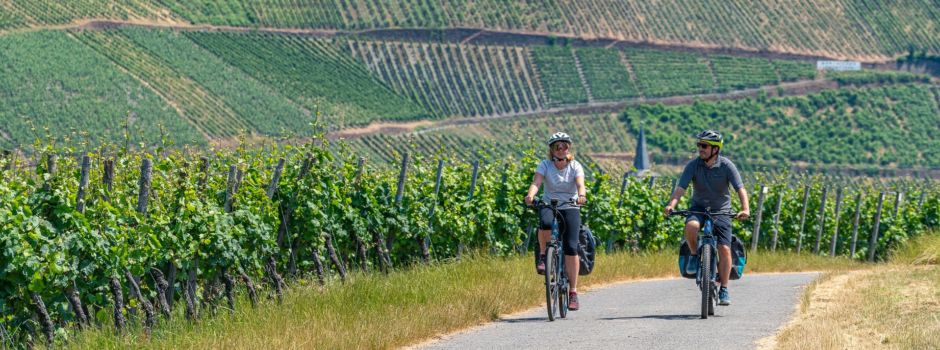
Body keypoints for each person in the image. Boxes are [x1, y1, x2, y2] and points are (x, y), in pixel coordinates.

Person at [663, 130, 750, 306]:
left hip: (721, 211)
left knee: (724, 248)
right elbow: (681, 188)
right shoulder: (693, 165)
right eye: (699, 145)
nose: (700, 149)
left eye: (704, 146)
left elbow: (740, 189)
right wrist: (671, 205)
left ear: (715, 149)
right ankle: (695, 255)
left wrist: (745, 209)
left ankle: (724, 288)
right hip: (699, 209)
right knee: (692, 227)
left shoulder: (726, 166)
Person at [524, 132, 587, 311]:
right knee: (544, 223)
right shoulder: (544, 165)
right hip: (550, 203)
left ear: (568, 148)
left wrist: (581, 196)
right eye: (557, 147)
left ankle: (573, 292)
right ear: (551, 150)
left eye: (564, 146)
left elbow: (580, 184)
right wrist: (530, 195)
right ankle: (544, 255)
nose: (561, 149)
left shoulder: (575, 166)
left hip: (570, 205)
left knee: (571, 247)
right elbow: (537, 182)